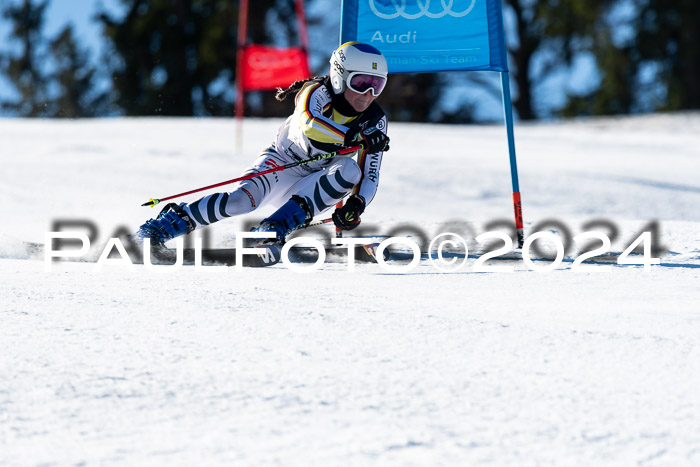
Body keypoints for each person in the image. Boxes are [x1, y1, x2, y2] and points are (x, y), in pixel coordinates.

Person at [136, 41, 390, 246]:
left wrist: (356, 206)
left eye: (377, 85)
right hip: (281, 163)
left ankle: (272, 230)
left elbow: (370, 173)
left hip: (313, 186)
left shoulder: (375, 119)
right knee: (240, 202)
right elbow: (311, 126)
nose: (368, 94)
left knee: (350, 169)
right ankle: (163, 226)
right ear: (339, 77)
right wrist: (355, 137)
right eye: (361, 83)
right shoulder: (314, 92)